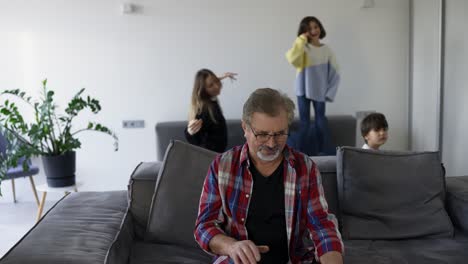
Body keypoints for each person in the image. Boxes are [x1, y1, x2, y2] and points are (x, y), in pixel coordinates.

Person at [194, 88, 344, 264]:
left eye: (280, 133)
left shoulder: (305, 168)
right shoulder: (222, 166)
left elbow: (322, 226)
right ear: (245, 128)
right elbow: (204, 226)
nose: (272, 143)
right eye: (263, 134)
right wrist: (231, 247)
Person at [286, 16, 340, 156]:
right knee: (304, 123)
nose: (313, 30)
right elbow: (292, 58)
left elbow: (336, 72)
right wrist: (301, 40)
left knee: (320, 121)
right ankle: (299, 154)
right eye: (309, 29)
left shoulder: (326, 50)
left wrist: (330, 92)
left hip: (319, 90)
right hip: (302, 89)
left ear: (320, 28)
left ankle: (326, 152)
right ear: (304, 32)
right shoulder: (303, 47)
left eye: (315, 27)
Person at [185, 69, 237, 152]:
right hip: (209, 157)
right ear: (203, 90)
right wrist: (190, 132)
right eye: (211, 85)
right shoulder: (203, 109)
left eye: (216, 81)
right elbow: (191, 135)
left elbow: (212, 82)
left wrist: (223, 76)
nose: (216, 86)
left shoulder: (211, 100)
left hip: (217, 155)